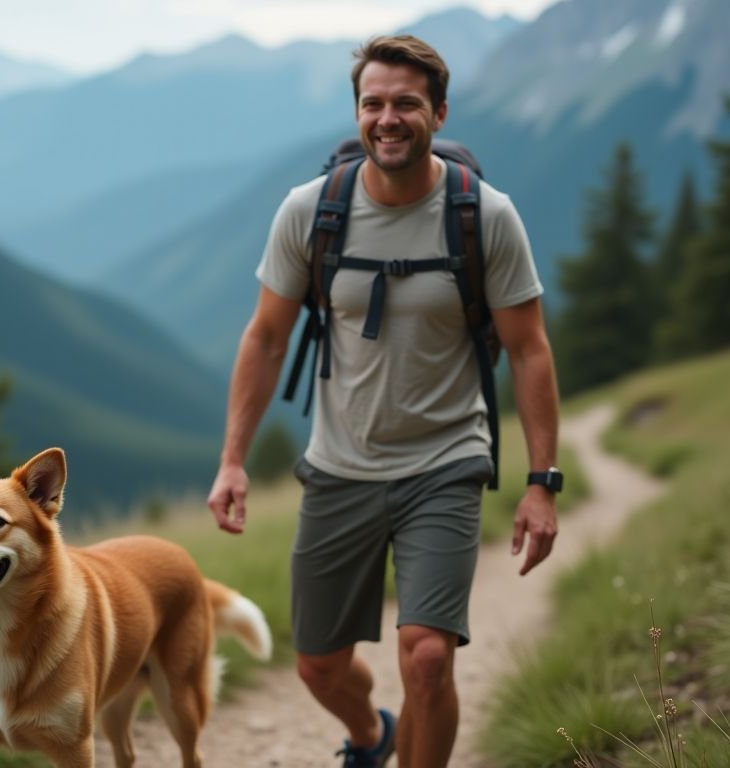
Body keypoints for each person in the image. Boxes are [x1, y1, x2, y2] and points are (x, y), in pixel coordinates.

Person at [206, 33, 563, 767]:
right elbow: (266, 338)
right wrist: (233, 460)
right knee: (318, 667)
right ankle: (373, 735)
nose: (388, 119)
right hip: (340, 466)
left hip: (447, 461)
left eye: (406, 104)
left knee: (428, 656)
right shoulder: (312, 211)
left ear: (439, 112)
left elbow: (530, 349)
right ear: (358, 113)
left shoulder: (485, 215)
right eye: (374, 104)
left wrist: (542, 482)